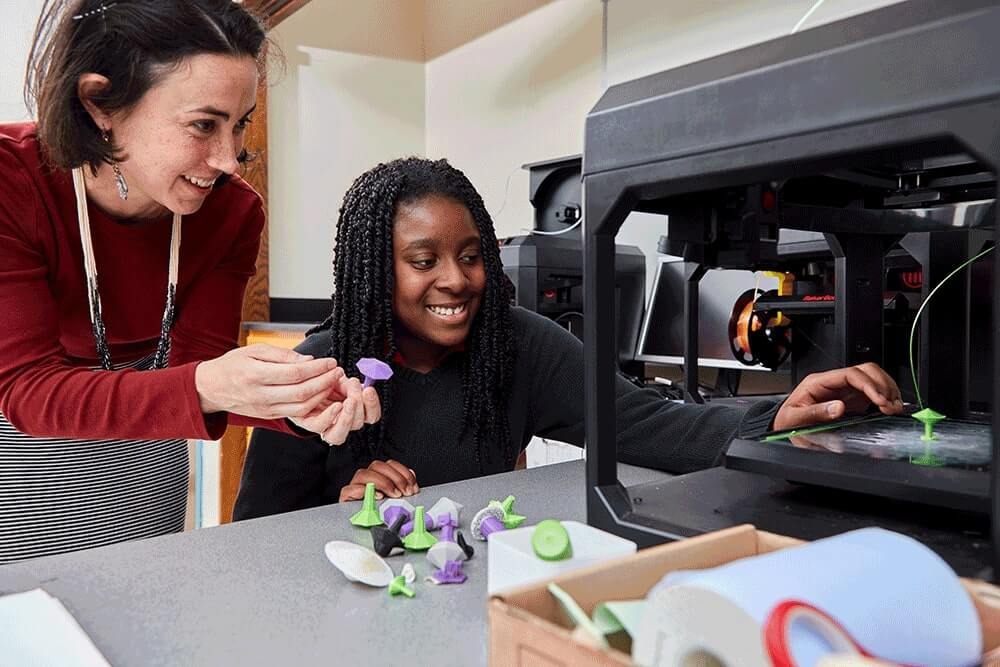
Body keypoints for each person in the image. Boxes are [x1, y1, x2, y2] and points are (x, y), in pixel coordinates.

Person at [233, 157, 903, 518]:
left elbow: (645, 423)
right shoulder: (314, 370)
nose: (457, 280)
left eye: (471, 255)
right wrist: (338, 514)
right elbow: (250, 541)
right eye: (423, 259)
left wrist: (777, 417)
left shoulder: (521, 345)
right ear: (377, 270)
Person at [0, 0, 378, 563]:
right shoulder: (13, 181)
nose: (229, 159)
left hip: (149, 472)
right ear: (100, 102)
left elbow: (199, 367)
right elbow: (27, 389)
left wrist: (297, 406)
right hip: (22, 463)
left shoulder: (233, 213)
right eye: (204, 125)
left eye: (240, 122)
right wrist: (207, 385)